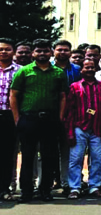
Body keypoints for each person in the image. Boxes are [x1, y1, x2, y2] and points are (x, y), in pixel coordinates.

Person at [10, 40, 66, 202]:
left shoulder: (58, 73)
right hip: (29, 119)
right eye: (39, 51)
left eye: (46, 51)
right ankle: (26, 192)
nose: (42, 54)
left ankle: (45, 191)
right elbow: (13, 95)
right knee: (27, 157)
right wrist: (17, 119)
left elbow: (63, 97)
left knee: (49, 156)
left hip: (50, 119)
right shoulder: (24, 71)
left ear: (51, 53)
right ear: (33, 53)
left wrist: (60, 117)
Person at [64, 59, 101, 199]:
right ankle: (75, 187)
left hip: (98, 128)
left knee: (98, 159)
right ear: (81, 70)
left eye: (92, 67)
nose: (89, 69)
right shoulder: (74, 87)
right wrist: (69, 132)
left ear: (96, 69)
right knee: (75, 159)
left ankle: (94, 187)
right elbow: (69, 111)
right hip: (79, 127)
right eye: (86, 67)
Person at [0, 39, 19, 201]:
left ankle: (4, 189)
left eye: (7, 49)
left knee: (6, 155)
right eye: (1, 49)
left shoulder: (21, 71)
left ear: (13, 51)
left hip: (10, 116)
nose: (3, 52)